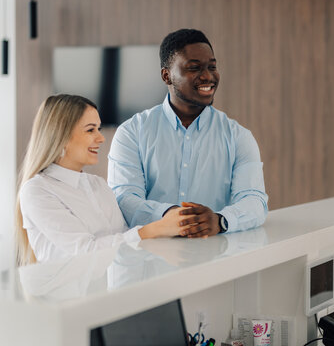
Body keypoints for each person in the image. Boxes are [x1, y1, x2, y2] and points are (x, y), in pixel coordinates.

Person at [107, 29, 268, 238]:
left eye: (212, 67)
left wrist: (220, 220)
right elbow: (124, 198)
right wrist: (173, 217)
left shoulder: (238, 136)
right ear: (167, 76)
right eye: (194, 68)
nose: (208, 76)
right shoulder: (131, 133)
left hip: (218, 258)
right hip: (148, 261)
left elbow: (254, 201)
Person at [15, 95, 189, 266]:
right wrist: (154, 229)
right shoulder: (37, 190)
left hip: (109, 291)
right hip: (64, 294)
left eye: (98, 128)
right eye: (91, 130)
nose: (101, 138)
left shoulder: (97, 184)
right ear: (61, 135)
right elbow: (84, 252)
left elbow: (123, 240)